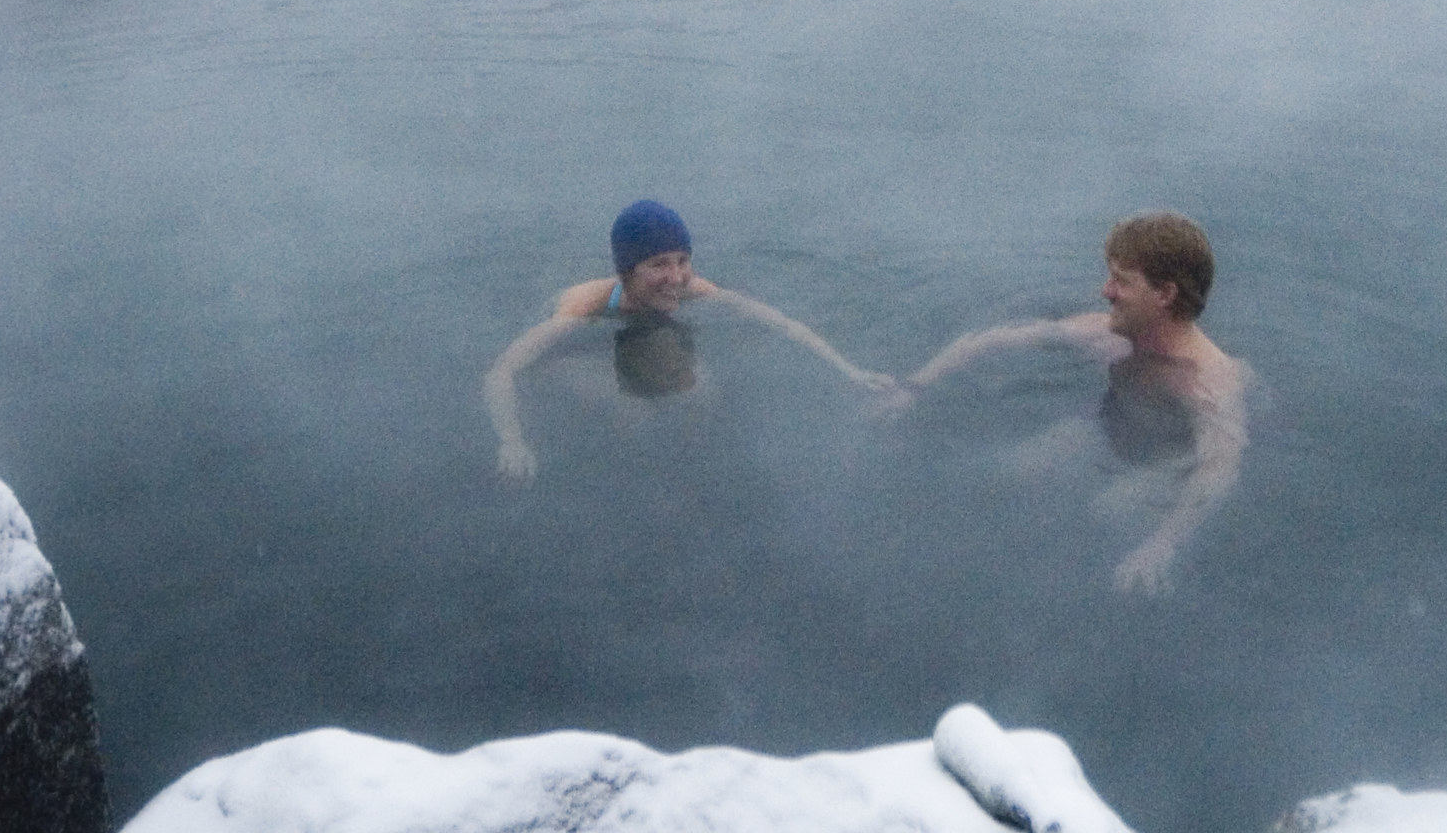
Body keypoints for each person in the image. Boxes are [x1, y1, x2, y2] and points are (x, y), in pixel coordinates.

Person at [889, 210, 1249, 594]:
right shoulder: (1106, 335)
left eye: (1121, 281)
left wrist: (1160, 546)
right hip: (1106, 426)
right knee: (1010, 472)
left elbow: (1219, 468)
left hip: (1166, 462)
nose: (1105, 291)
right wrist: (913, 386)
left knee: (1110, 509)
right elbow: (992, 340)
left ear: (1165, 294)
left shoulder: (1209, 381)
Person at [486, 200, 893, 480]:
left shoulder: (692, 289)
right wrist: (512, 442)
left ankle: (693, 470)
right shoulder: (581, 308)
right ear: (628, 271)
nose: (676, 277)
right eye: (658, 264)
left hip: (644, 336)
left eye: (682, 260)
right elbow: (502, 371)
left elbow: (781, 323)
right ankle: (635, 477)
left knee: (702, 394)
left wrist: (851, 371)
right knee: (633, 412)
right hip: (572, 353)